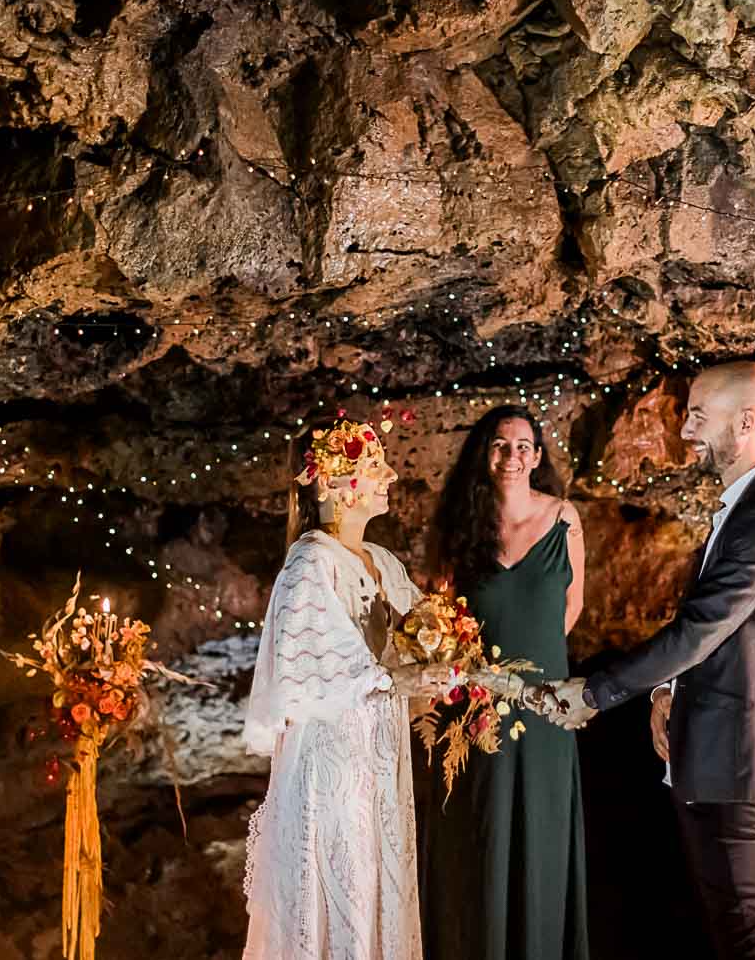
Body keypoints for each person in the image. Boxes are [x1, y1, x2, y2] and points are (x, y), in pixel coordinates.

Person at [549, 361, 755, 960]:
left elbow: (700, 629)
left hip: (737, 752)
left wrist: (595, 692)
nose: (687, 426)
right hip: (718, 742)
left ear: (747, 420)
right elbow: (717, 628)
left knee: (748, 937)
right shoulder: (750, 506)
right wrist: (663, 692)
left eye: (700, 412)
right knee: (732, 931)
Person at [240, 418, 450, 960]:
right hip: (335, 755)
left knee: (382, 874)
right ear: (331, 482)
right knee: (344, 875)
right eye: (374, 466)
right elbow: (306, 665)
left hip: (381, 753)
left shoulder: (382, 562)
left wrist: (450, 660)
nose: (391, 475)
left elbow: (418, 637)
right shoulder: (310, 560)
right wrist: (393, 677)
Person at [415, 405, 589, 960]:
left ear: (537, 456)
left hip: (543, 713)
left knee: (540, 839)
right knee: (479, 841)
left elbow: (572, 605)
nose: (510, 456)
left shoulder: (565, 520)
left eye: (521, 446)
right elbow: (437, 618)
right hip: (475, 713)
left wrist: (530, 668)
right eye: (498, 444)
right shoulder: (459, 527)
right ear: (483, 454)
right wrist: (486, 678)